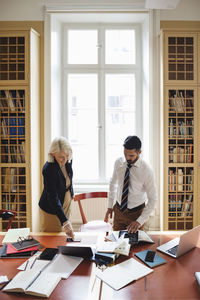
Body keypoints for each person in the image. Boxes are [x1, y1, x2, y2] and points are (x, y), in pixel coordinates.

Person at [104, 135, 157, 233]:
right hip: (119, 211)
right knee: (117, 244)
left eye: (131, 155)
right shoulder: (118, 163)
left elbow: (153, 199)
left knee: (136, 246)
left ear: (139, 152)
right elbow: (113, 184)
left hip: (136, 214)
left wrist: (139, 221)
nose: (127, 158)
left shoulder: (147, 170)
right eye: (125, 154)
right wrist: (110, 206)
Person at [39, 136, 75, 239]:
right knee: (52, 239)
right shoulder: (48, 169)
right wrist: (65, 221)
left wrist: (71, 192)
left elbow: (69, 177)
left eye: (67, 156)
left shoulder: (68, 159)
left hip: (66, 200)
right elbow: (53, 197)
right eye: (61, 157)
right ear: (52, 154)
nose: (65, 160)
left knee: (65, 236)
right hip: (52, 207)